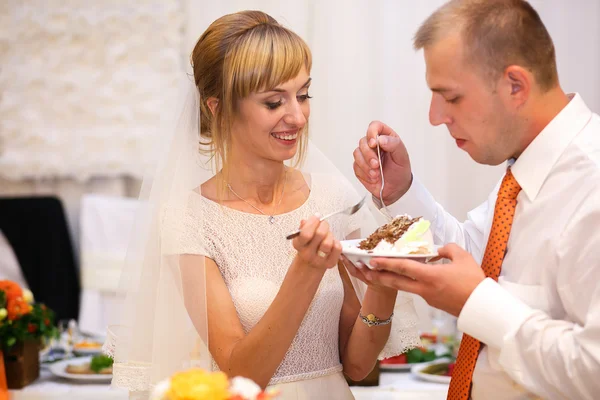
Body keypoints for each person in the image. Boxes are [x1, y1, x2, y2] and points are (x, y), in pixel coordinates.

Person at [105, 10, 420, 400]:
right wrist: (303, 271)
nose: (298, 116)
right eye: (274, 102)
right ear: (217, 108)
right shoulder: (189, 218)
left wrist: (384, 282)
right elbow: (242, 372)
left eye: (303, 95)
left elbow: (355, 365)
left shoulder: (333, 198)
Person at [350, 0, 600, 399]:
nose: (435, 116)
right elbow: (475, 258)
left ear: (515, 86)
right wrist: (401, 189)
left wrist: (476, 302)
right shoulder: (525, 172)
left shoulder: (592, 185)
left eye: (450, 97)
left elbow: (594, 370)